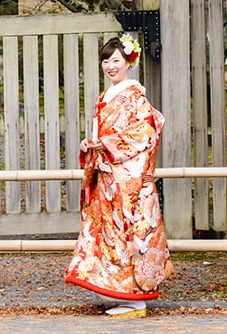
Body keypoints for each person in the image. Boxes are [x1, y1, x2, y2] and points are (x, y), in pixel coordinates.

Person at [65, 33, 173, 317]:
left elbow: (145, 133)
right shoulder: (106, 96)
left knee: (128, 235)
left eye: (116, 60)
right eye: (106, 61)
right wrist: (89, 145)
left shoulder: (135, 95)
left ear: (129, 62)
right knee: (109, 235)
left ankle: (136, 299)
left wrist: (107, 144)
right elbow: (103, 135)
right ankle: (123, 293)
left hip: (128, 180)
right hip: (108, 176)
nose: (110, 66)